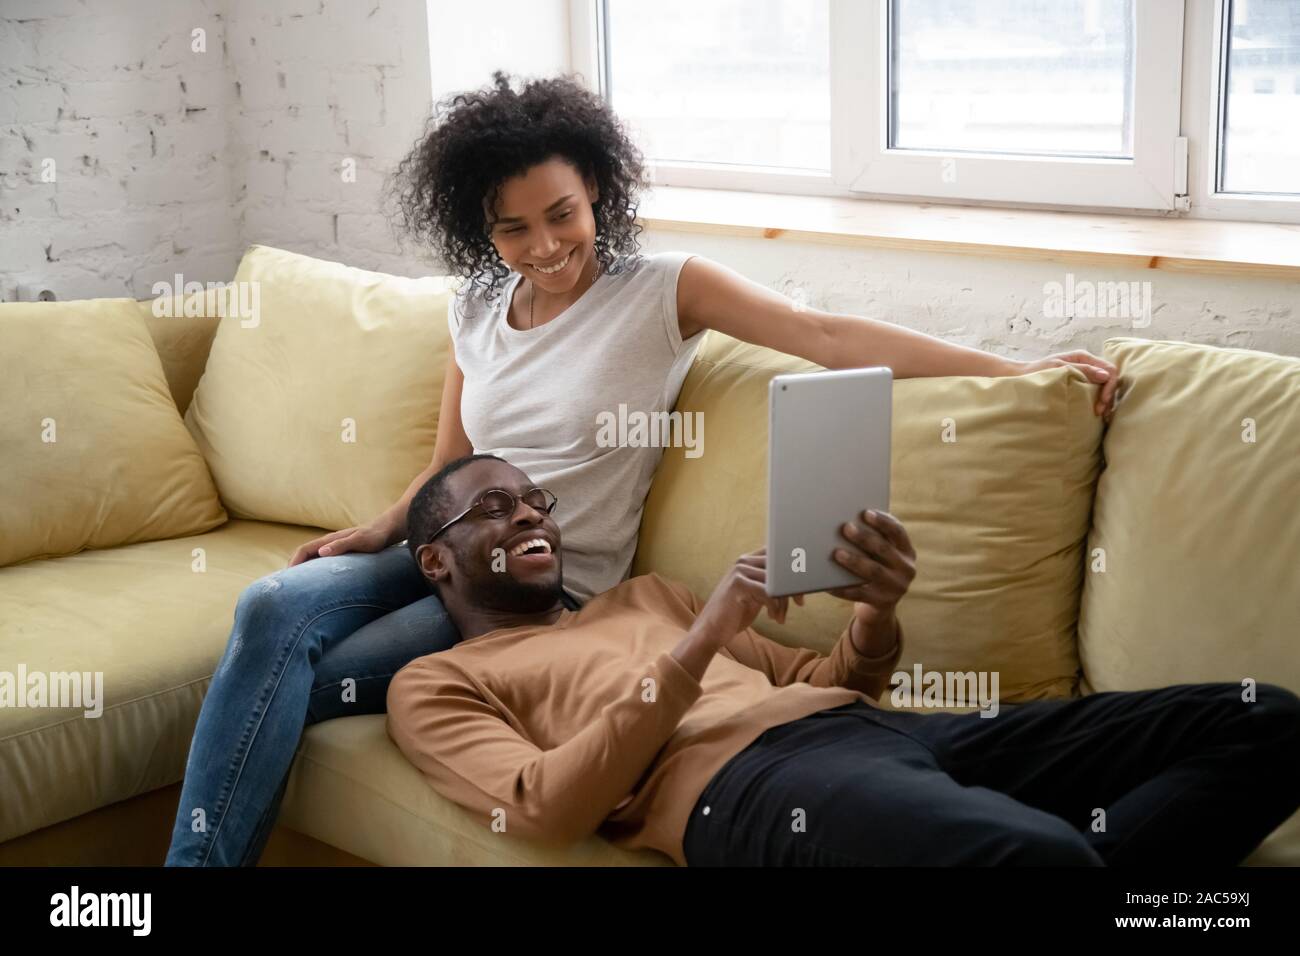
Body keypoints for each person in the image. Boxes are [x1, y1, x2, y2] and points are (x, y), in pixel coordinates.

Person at [166, 71, 1121, 865]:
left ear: (600, 195)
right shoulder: (473, 312)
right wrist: (379, 530)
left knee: (313, 673)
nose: (543, 249)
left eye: (562, 214)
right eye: (512, 229)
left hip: (547, 587)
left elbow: (823, 335)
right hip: (451, 543)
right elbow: (449, 465)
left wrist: (1015, 368)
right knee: (268, 610)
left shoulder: (662, 292)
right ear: (480, 229)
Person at [387, 454, 1300, 866]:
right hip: (749, 790)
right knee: (1036, 856)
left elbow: (827, 686)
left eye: (535, 500)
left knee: (1269, 721)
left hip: (883, 734)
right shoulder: (435, 683)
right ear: (437, 560)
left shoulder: (649, 596)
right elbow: (544, 808)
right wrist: (701, 643)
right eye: (495, 509)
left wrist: (875, 612)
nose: (531, 516)